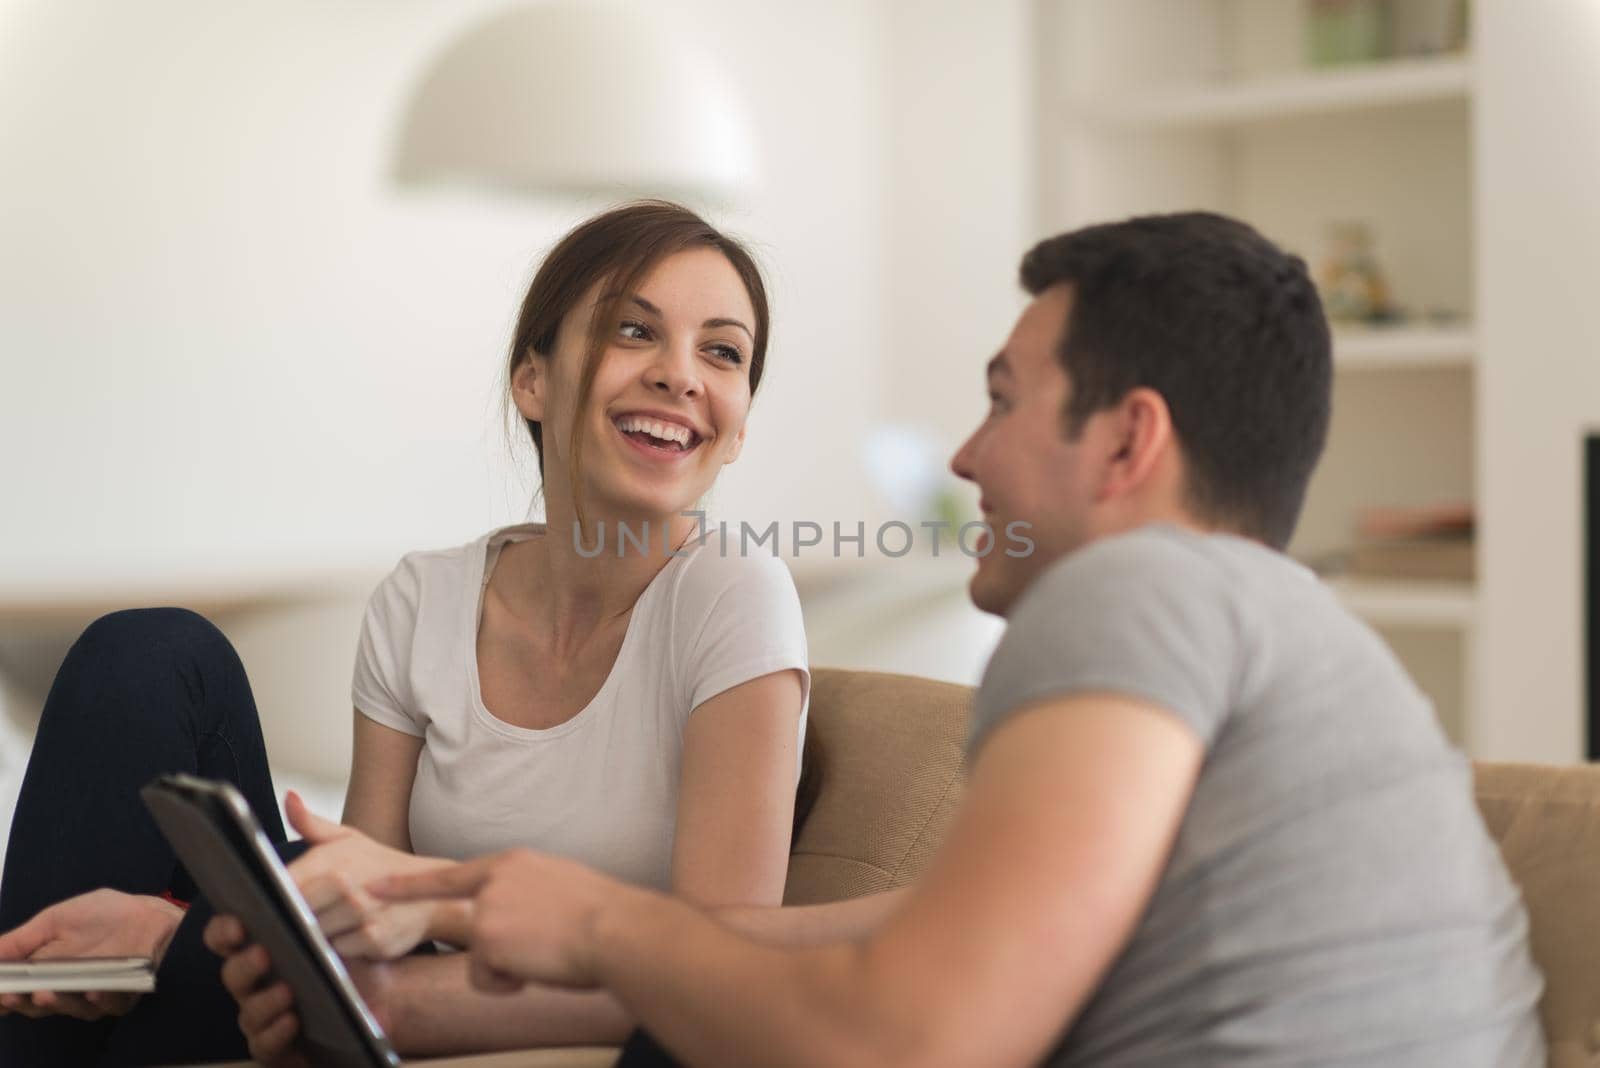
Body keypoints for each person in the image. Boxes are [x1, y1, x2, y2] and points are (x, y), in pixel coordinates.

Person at [350, 212, 1544, 1066]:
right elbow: (866, 940)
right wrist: (422, 994)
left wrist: (604, 921)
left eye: (1002, 401)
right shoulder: (1266, 631)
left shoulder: (1136, 598)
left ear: (1128, 445)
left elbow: (903, 1034)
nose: (964, 459)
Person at [0, 200, 812, 1066]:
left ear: (738, 427)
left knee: (162, 964)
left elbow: (725, 968)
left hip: (478, 1011)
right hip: (360, 990)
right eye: (633, 330)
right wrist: (203, 933)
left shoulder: (735, 596)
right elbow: (360, 906)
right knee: (149, 655)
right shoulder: (426, 597)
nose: (682, 375)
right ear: (531, 379)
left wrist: (186, 940)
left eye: (722, 351)